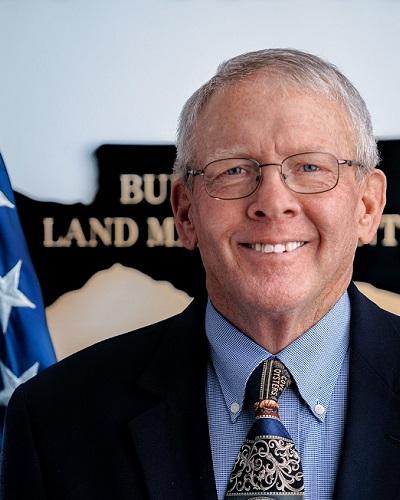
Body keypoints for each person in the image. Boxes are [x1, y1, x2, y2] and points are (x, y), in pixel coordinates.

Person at [0, 49, 396, 500]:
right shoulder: (54, 415)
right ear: (185, 213)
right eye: (233, 170)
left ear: (367, 207)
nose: (272, 202)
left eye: (309, 167)